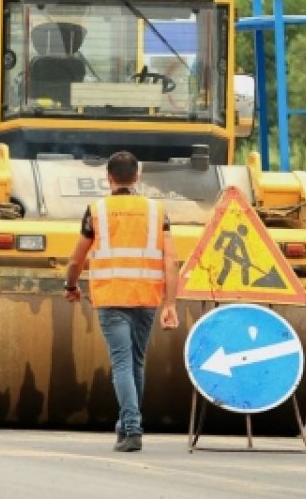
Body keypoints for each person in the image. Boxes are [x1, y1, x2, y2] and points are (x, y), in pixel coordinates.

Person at [64, 150, 179, 452]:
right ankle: (125, 424)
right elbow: (171, 261)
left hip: (112, 297)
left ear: (109, 178)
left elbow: (77, 258)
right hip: (147, 298)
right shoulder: (157, 211)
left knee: (122, 364)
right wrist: (170, 304)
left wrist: (71, 286)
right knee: (136, 364)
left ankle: (131, 427)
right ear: (137, 177)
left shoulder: (97, 210)